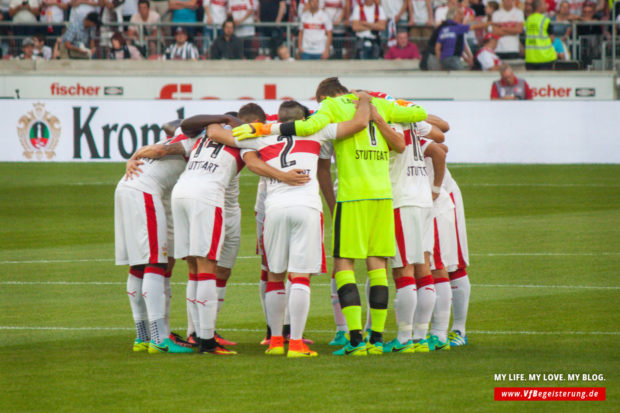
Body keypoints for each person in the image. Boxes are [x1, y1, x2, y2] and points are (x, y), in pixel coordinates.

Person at [232, 77, 428, 356]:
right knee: (378, 265)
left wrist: (267, 127)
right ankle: (376, 338)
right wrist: (374, 106)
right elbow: (420, 113)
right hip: (383, 195)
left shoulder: (332, 107)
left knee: (344, 263)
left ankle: (355, 341)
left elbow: (308, 126)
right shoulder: (381, 104)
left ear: (324, 97)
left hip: (351, 195)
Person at [209, 98, 373, 357]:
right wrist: (364, 100)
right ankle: (295, 343)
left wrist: (245, 125)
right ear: (304, 119)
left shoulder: (262, 135)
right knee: (299, 277)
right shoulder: (318, 130)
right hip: (306, 207)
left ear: (278, 119)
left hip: (275, 208)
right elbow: (360, 122)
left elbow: (214, 132)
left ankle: (275, 342)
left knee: (275, 275)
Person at [115, 121, 198, 355]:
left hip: (127, 188)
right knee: (155, 261)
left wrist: (132, 156)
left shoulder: (167, 140)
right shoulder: (189, 142)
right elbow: (161, 151)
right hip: (143, 191)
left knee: (138, 264)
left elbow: (161, 143)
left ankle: (143, 336)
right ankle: (159, 339)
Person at [524, 0, 557, 69]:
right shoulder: (545, 20)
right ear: (539, 7)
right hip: (545, 58)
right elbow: (552, 39)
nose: (546, 6)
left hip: (530, 58)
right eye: (544, 5)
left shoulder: (528, 19)